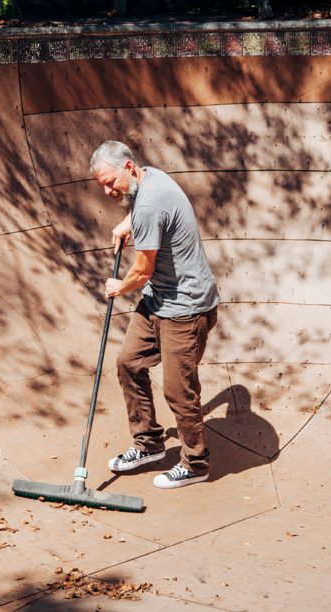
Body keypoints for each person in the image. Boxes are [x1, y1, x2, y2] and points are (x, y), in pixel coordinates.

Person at [90, 141, 220, 489]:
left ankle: (195, 463)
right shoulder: (153, 178)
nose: (107, 190)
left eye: (110, 182)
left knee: (179, 391)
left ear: (129, 167)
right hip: (158, 300)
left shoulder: (146, 205)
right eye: (101, 184)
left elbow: (142, 271)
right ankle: (148, 443)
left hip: (186, 309)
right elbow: (149, 208)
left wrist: (119, 287)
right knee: (128, 363)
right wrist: (126, 223)